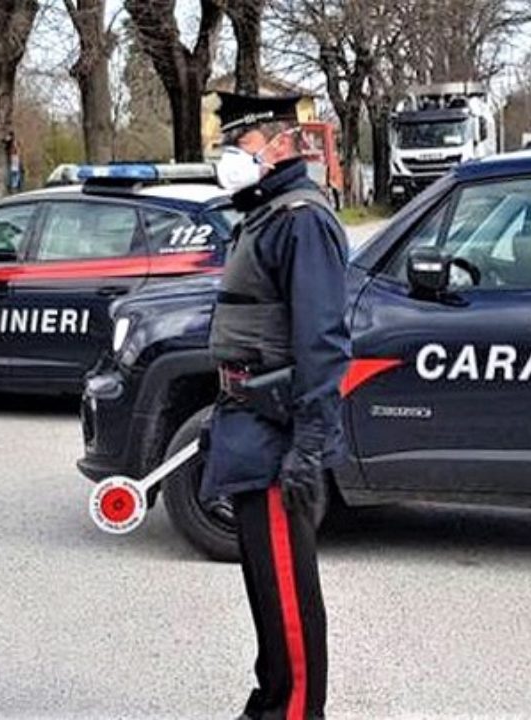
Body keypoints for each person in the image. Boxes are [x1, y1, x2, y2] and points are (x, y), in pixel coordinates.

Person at [202, 93, 351, 720]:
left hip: (279, 432)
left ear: (281, 142)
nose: (231, 157)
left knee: (289, 600)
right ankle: (269, 703)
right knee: (266, 588)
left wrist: (308, 446)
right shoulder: (263, 215)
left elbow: (322, 340)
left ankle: (294, 712)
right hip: (248, 422)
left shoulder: (301, 219)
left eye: (241, 144)